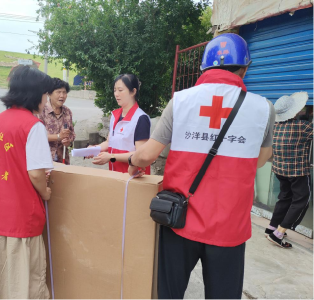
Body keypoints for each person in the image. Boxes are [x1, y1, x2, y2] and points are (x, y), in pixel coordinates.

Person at [128, 33, 275, 299]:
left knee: (169, 294)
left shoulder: (181, 101)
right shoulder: (264, 108)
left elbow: (147, 155)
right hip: (229, 227)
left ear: (204, 68)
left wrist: (132, 161)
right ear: (245, 68)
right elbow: (261, 160)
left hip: (180, 221)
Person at [0, 65, 54, 299]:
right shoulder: (33, 126)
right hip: (19, 215)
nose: (46, 100)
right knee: (20, 278)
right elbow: (36, 173)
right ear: (34, 93)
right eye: (45, 94)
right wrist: (45, 193)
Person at [266, 92, 313, 249]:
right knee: (301, 200)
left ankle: (271, 227)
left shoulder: (275, 127)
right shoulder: (302, 127)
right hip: (297, 172)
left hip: (279, 170)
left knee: (285, 197)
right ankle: (278, 234)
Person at [90, 74, 151, 173]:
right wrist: (94, 149)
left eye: (120, 90)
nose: (116, 94)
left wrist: (111, 157)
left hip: (135, 177)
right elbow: (109, 142)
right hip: (116, 174)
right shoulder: (115, 115)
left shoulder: (141, 118)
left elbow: (140, 154)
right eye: (115, 90)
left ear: (133, 92)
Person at [38, 78, 75, 165]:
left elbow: (72, 135)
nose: (62, 96)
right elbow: (37, 137)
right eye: (58, 92)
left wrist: (68, 142)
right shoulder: (40, 111)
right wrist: (58, 136)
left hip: (62, 160)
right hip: (44, 160)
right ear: (49, 94)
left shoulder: (67, 112)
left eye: (64, 92)